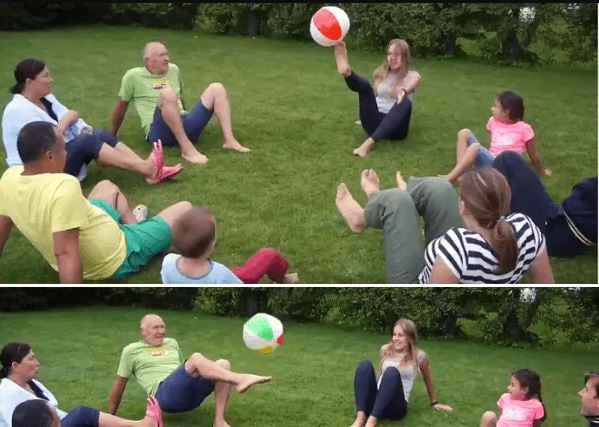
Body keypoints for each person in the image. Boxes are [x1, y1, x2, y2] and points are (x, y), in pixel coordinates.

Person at [0, 121, 197, 283]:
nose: (67, 153)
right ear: (50, 156)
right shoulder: (64, 186)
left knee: (107, 186)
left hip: (97, 225)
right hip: (115, 256)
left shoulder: (9, 178)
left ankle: (136, 226)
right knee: (186, 209)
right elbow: (65, 253)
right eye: (63, 148)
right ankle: (141, 240)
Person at [334, 167, 553, 284]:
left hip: (419, 281)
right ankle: (384, 200)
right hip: (460, 252)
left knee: (397, 202)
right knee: (440, 188)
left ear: (463, 207)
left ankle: (365, 212)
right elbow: (546, 285)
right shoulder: (526, 228)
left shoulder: (456, 247)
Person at [1, 58, 182, 185]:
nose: (51, 80)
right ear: (29, 82)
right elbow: (50, 141)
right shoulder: (18, 111)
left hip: (58, 155)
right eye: (46, 76)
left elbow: (75, 120)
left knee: (100, 134)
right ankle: (149, 169)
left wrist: (83, 128)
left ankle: (148, 170)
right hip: (39, 172)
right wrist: (68, 121)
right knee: (86, 140)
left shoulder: (45, 98)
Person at [108, 314, 271, 427]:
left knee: (223, 364)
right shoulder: (131, 350)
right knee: (196, 358)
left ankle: (219, 421)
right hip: (163, 396)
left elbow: (182, 369)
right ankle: (240, 379)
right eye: (155, 328)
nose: (161, 331)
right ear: (143, 331)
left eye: (162, 327)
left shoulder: (171, 343)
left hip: (187, 394)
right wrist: (111, 416)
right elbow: (120, 383)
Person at [111, 41, 250, 166]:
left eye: (167, 54)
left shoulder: (174, 70)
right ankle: (187, 150)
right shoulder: (132, 76)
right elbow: (121, 107)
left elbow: (180, 99)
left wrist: (184, 117)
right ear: (149, 61)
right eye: (162, 55)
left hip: (183, 123)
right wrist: (112, 135)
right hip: (159, 133)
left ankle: (229, 140)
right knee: (167, 92)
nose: (167, 58)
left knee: (217, 88)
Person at [0, 342, 163, 427]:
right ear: (15, 365)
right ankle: (142, 425)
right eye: (31, 358)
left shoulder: (32, 384)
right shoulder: (6, 393)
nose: (37, 363)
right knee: (82, 415)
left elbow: (55, 411)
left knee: (84, 419)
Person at [492, 151, 597, 257]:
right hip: (561, 222)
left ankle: (487, 222)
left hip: (556, 233)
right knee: (507, 161)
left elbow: (581, 191)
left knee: (508, 160)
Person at [350, 319, 452, 427]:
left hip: (396, 407)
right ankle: (360, 418)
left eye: (400, 335)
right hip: (377, 403)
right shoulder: (385, 349)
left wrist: (434, 402)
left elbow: (428, 378)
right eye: (394, 335)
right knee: (364, 366)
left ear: (410, 337)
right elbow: (381, 375)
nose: (396, 339)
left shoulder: (419, 356)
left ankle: (371, 421)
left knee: (391, 371)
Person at [160, 205, 299, 284]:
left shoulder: (168, 262)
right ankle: (283, 280)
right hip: (234, 279)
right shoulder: (220, 274)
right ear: (212, 246)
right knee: (270, 255)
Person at [333, 39, 421, 158]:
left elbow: (411, 85)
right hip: (375, 123)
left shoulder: (413, 75)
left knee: (405, 101)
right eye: (389, 54)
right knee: (366, 87)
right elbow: (372, 98)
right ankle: (346, 71)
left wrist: (404, 91)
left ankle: (368, 144)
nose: (392, 58)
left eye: (396, 54)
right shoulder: (381, 75)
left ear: (405, 57)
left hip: (397, 128)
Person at [441, 90, 551, 183]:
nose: (492, 109)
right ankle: (461, 173)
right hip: (491, 161)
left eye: (495, 106)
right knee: (464, 132)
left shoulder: (524, 128)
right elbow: (493, 144)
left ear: (506, 112)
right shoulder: (493, 121)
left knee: (475, 147)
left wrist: (541, 171)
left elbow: (533, 154)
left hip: (505, 168)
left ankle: (449, 179)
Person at [479, 369, 546, 427]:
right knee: (488, 415)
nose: (508, 387)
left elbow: (537, 425)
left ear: (524, 390)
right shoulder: (505, 398)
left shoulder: (536, 405)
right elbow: (504, 418)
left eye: (512, 385)